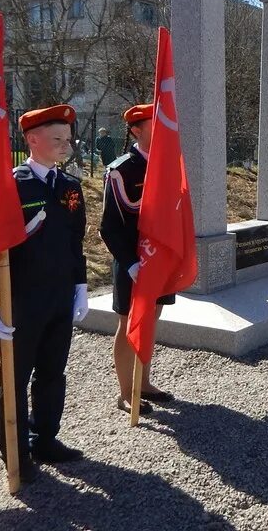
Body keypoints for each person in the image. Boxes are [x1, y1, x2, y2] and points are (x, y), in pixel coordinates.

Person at [0, 104, 87, 482]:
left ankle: (45, 439)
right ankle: (15, 452)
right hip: (20, 298)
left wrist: (80, 284)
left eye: (67, 140)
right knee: (17, 376)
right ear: (32, 140)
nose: (65, 146)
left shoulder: (69, 186)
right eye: (57, 139)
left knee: (53, 372)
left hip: (59, 295)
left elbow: (76, 240)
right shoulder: (11, 184)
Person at [100, 104, 177, 416]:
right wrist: (132, 264)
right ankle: (126, 392)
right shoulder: (121, 170)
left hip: (160, 262)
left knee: (152, 318)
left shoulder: (167, 166)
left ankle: (143, 382)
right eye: (153, 125)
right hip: (132, 263)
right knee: (128, 322)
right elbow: (108, 227)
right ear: (135, 131)